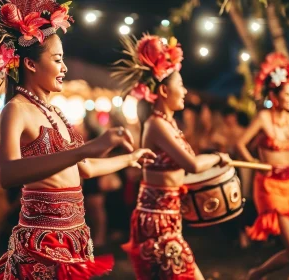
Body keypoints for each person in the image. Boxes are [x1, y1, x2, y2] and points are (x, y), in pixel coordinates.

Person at [0, 1, 156, 279]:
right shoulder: (15, 110)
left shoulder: (55, 112)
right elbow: (5, 173)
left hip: (74, 235)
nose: (64, 67)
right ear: (29, 63)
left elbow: (85, 168)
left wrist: (129, 158)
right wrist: (85, 149)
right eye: (57, 60)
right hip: (42, 241)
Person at [112, 34, 232, 280]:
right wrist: (218, 157)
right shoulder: (157, 125)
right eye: (181, 86)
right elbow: (193, 165)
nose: (186, 91)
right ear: (164, 90)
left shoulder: (167, 124)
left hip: (166, 217)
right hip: (156, 222)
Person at [235, 53, 289, 280]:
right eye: (286, 94)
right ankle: (256, 274)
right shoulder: (263, 118)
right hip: (269, 186)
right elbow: (239, 144)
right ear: (273, 95)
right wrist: (255, 163)